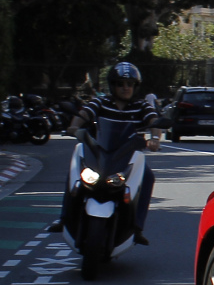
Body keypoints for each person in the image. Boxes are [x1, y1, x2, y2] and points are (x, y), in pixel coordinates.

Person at [50, 61, 160, 244]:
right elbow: (85, 113)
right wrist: (74, 127)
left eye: (129, 84)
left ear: (135, 86)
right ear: (112, 85)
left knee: (148, 178)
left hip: (128, 157)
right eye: (120, 84)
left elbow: (154, 120)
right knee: (75, 171)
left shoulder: (141, 106)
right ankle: (64, 218)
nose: (125, 88)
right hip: (100, 154)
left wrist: (155, 138)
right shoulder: (101, 102)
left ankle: (137, 227)